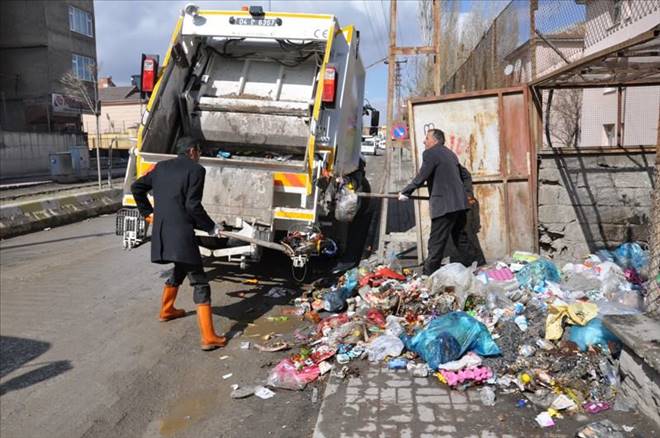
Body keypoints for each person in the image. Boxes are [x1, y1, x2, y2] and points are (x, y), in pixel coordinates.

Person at [131, 136, 227, 351]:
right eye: (199, 151)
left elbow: (136, 187)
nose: (199, 155)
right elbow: (192, 206)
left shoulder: (160, 168)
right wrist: (211, 227)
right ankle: (209, 337)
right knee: (200, 282)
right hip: (182, 234)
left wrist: (148, 214)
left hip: (163, 233)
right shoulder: (196, 170)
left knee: (181, 268)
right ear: (192, 151)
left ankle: (167, 311)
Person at [398, 128, 471, 275]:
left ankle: (428, 274)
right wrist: (468, 193)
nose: (424, 141)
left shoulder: (431, 153)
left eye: (427, 138)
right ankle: (475, 267)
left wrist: (405, 192)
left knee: (436, 241)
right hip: (460, 205)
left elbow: (422, 176)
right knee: (460, 239)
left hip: (445, 205)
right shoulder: (450, 154)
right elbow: (466, 175)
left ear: (435, 140)